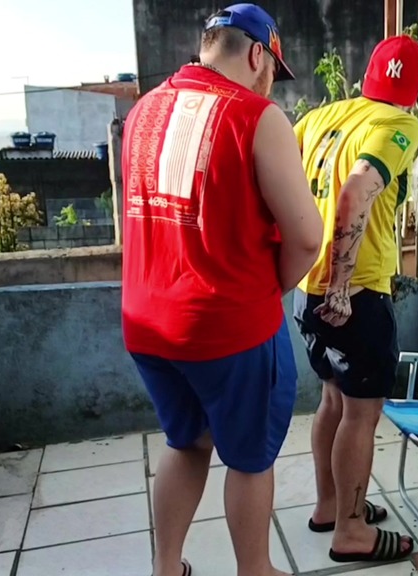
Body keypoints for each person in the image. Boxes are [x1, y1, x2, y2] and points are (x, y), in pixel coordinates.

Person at [120, 4, 323, 576]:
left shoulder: (142, 111)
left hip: (147, 323)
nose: (270, 83)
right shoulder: (257, 117)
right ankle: (255, 570)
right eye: (272, 70)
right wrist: (271, 290)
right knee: (250, 459)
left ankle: (166, 567)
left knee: (186, 442)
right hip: (229, 326)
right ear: (257, 54)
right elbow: (308, 237)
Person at [291, 34, 418, 564]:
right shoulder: (398, 125)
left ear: (368, 75)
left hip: (307, 291)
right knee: (361, 415)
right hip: (356, 293)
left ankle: (330, 505)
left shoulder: (320, 119)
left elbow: (276, 188)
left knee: (332, 401)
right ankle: (351, 530)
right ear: (414, 91)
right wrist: (342, 285)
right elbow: (355, 191)